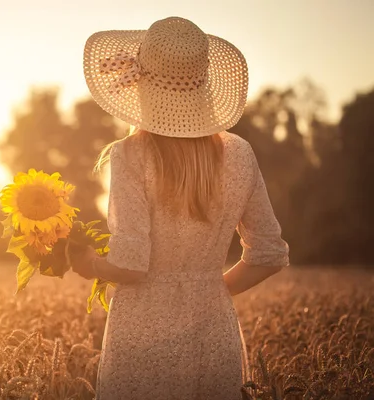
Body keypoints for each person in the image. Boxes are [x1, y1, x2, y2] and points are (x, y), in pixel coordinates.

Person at [68, 17, 290, 399]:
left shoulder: (130, 154)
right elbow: (269, 254)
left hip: (141, 338)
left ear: (142, 86)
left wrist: (87, 264)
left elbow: (131, 265)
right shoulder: (239, 153)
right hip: (214, 336)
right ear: (204, 85)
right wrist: (209, 288)